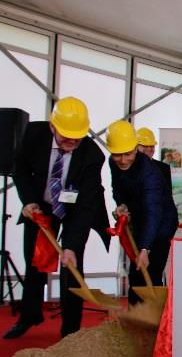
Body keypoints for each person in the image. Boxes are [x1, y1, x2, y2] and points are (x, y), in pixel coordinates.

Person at [3, 97, 109, 339]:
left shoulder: (93, 155)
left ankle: (70, 329)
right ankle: (29, 316)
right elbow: (20, 169)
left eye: (77, 138)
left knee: (72, 266)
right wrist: (28, 201)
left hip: (75, 210)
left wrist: (70, 245)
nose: (71, 143)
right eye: (65, 137)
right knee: (35, 260)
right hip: (41, 206)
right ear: (53, 126)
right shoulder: (34, 134)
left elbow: (86, 205)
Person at [106, 121, 177, 305]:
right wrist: (121, 204)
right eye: (117, 154)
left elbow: (153, 211)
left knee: (150, 271)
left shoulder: (150, 172)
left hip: (160, 226)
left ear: (135, 149)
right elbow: (117, 187)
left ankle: (154, 317)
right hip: (138, 221)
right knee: (136, 273)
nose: (122, 160)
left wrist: (145, 248)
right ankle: (135, 314)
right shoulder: (113, 162)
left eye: (127, 154)